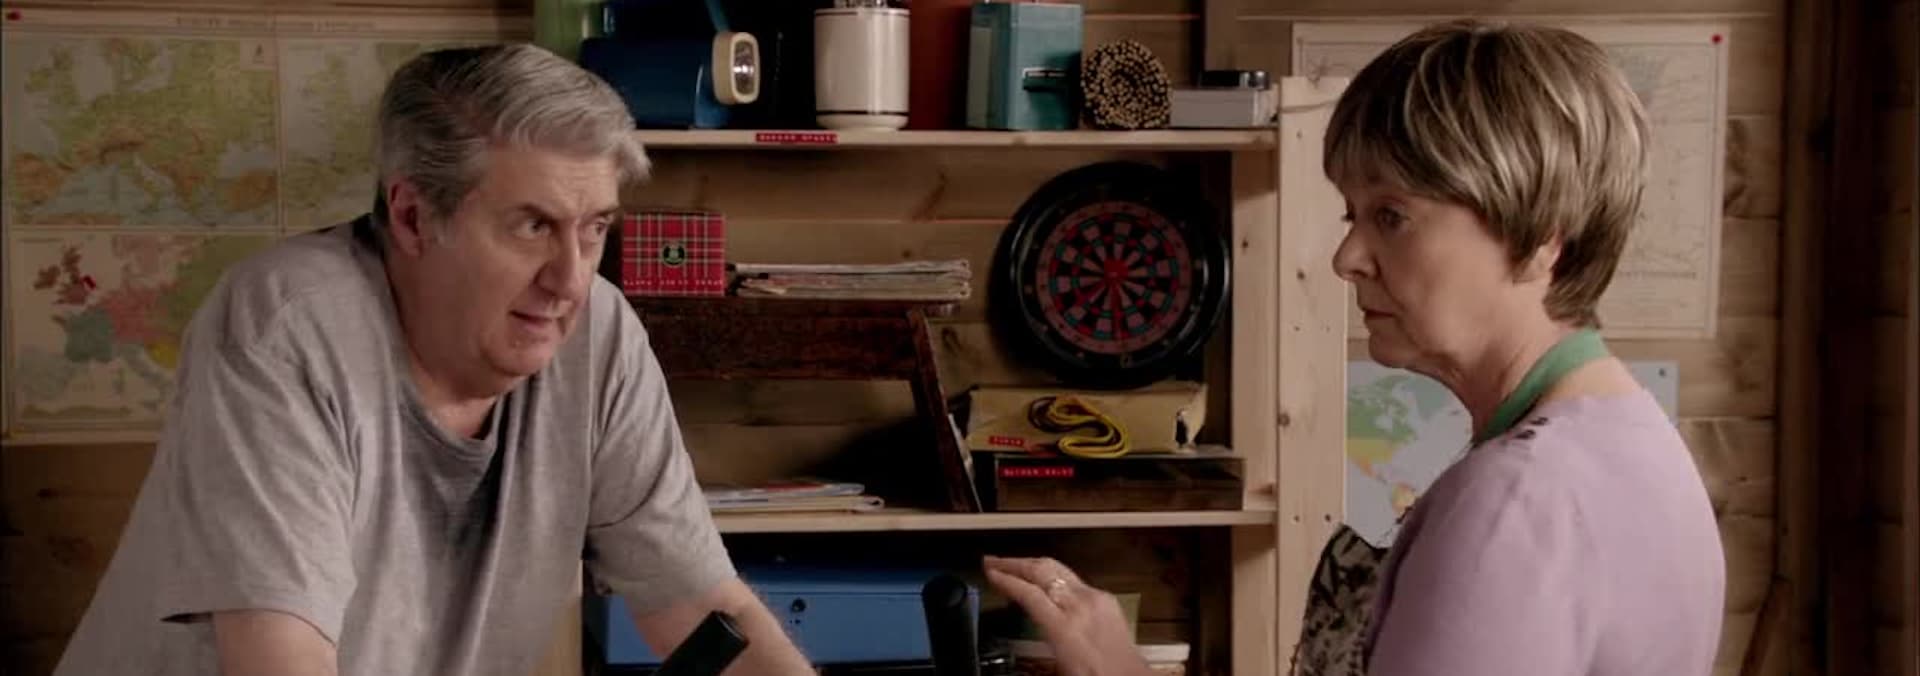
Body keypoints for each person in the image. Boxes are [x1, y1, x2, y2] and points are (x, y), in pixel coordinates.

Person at [986, 18, 1726, 676]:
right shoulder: (1633, 442)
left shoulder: (1516, 500)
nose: (1347, 258)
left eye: (1392, 216)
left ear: (1539, 240)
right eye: (1353, 214)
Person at [53, 44, 815, 676]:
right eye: (532, 226)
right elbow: (281, 660)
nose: (570, 280)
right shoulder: (286, 328)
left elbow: (706, 610)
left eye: (593, 229)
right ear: (414, 216)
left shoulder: (600, 332)